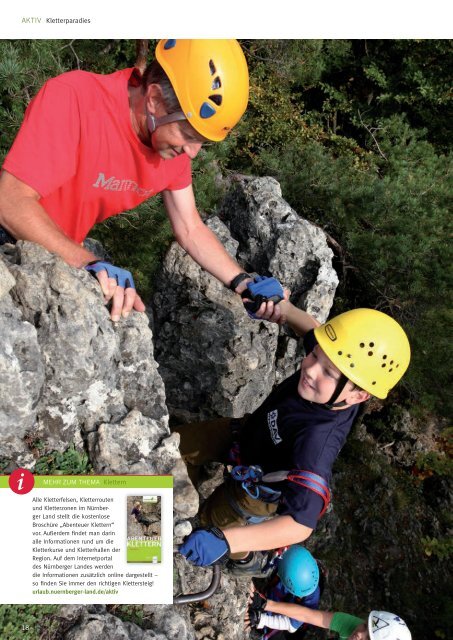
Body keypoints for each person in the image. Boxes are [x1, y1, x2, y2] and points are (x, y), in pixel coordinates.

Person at [0, 39, 282, 321]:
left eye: (203, 142)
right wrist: (88, 261)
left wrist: (243, 281)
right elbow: (10, 200)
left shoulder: (171, 146)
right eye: (190, 135)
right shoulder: (75, 98)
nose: (192, 153)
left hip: (52, 259)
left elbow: (190, 227)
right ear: (155, 99)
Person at [178, 300, 411, 573]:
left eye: (328, 372)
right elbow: (312, 330)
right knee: (177, 444)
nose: (310, 369)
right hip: (245, 436)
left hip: (256, 491)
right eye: (315, 355)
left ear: (359, 395)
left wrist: (226, 540)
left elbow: (300, 524)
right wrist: (284, 309)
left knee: (209, 524)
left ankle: (245, 561)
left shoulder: (317, 442)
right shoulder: (343, 370)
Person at [247, 545, 321, 639]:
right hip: (272, 594)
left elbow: (291, 625)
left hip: (280, 617)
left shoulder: (312, 596)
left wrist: (261, 619)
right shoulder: (286, 557)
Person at [247, 601, 412, 640]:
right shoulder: (354, 626)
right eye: (365, 625)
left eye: (368, 638)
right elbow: (307, 615)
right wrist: (266, 604)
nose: (359, 633)